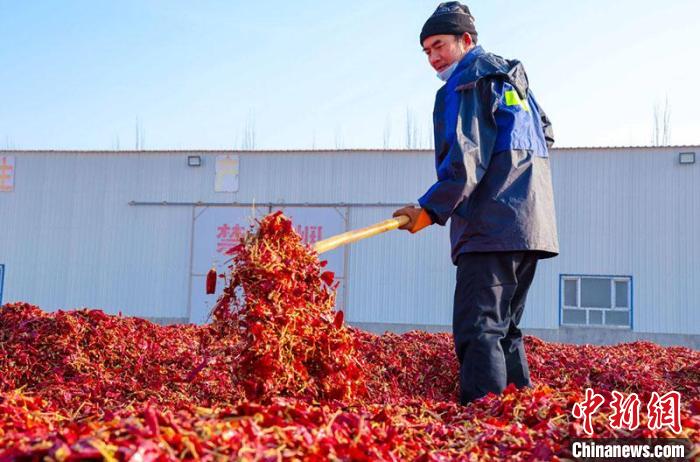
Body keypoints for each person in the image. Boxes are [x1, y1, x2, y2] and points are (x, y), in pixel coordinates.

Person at [393, 2, 559, 405]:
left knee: (479, 329)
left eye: (440, 46)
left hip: (490, 229)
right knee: (505, 330)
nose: (433, 59)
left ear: (466, 41)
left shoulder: (470, 78)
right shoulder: (513, 82)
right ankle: (518, 422)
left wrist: (431, 208)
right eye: (427, 51)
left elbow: (466, 158)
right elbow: (547, 136)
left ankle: (483, 421)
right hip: (530, 224)